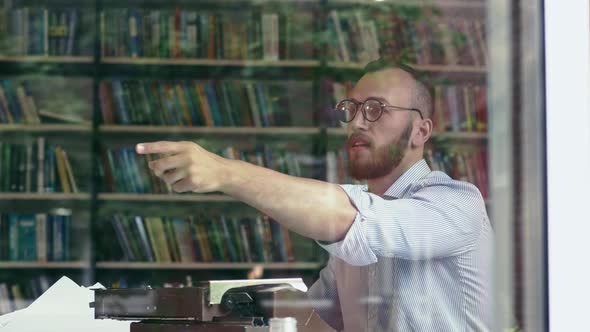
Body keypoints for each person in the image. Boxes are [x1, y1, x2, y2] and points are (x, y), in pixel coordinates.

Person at [135, 59, 493, 331]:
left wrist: (224, 172)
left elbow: (352, 219)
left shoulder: (457, 205)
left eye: (376, 109)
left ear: (420, 131)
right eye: (351, 110)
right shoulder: (351, 244)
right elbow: (317, 319)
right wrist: (225, 306)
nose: (357, 123)